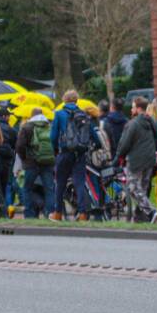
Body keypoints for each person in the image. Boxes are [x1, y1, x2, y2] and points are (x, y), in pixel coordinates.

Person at [50, 90, 99, 222]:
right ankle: (82, 214)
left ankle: (58, 213)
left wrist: (55, 149)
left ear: (64, 100)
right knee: (79, 183)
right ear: (76, 100)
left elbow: (53, 136)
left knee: (60, 183)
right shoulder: (83, 114)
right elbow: (93, 134)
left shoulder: (59, 114)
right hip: (80, 154)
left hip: (64, 153)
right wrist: (96, 146)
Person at [115, 96, 157, 223]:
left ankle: (151, 211)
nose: (131, 110)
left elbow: (125, 143)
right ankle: (140, 217)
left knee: (132, 186)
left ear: (139, 109)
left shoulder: (133, 124)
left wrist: (118, 157)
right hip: (150, 159)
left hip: (136, 159)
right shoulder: (151, 122)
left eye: (133, 107)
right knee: (143, 188)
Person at [16, 108, 56, 219]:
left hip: (31, 163)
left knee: (27, 188)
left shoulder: (27, 127)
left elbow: (19, 146)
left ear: (32, 116)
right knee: (49, 189)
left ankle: (29, 214)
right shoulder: (49, 126)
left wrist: (24, 158)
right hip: (47, 162)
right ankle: (50, 214)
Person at [0, 107, 18, 211]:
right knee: (5, 185)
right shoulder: (10, 129)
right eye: (8, 116)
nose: (9, 118)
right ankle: (4, 208)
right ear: (4, 116)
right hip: (6, 161)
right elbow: (15, 144)